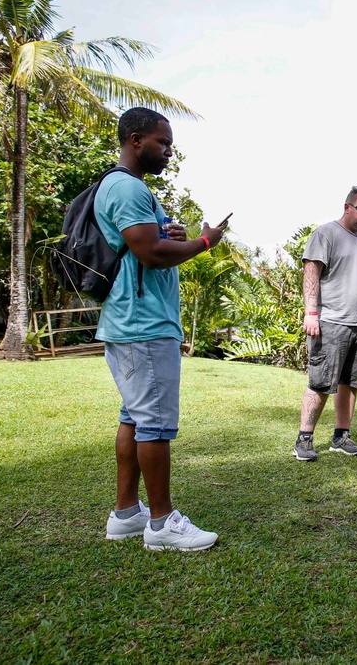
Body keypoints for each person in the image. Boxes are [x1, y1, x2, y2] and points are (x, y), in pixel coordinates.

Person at [99, 107, 228, 551]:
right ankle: (160, 525)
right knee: (152, 423)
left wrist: (169, 233)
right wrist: (206, 241)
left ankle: (125, 514)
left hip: (133, 320)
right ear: (135, 140)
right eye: (162, 143)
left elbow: (144, 244)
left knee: (134, 417)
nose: (169, 152)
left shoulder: (125, 189)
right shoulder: (126, 187)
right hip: (143, 324)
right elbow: (151, 253)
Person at [294, 186, 357, 460]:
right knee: (321, 382)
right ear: (347, 207)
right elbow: (311, 271)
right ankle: (304, 440)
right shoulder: (326, 233)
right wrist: (311, 312)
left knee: (351, 382)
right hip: (333, 321)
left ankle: (341, 436)